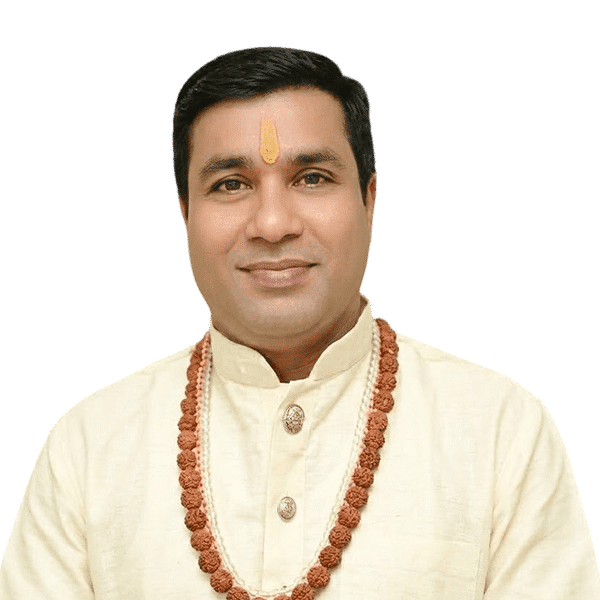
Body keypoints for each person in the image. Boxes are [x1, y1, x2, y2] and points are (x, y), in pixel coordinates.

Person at [0, 46, 598, 600]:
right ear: (184, 213)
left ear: (369, 199)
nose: (272, 224)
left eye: (312, 178)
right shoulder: (89, 447)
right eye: (230, 184)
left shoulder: (499, 431)